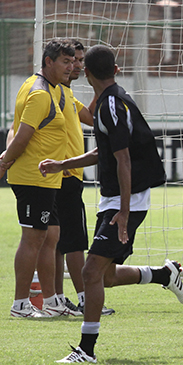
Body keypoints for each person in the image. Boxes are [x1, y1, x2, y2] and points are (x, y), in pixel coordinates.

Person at [39, 45, 183, 363]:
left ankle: (86, 351)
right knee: (104, 276)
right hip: (119, 198)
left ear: (87, 74)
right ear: (117, 70)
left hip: (127, 200)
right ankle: (164, 274)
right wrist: (61, 164)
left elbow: (123, 161)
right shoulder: (112, 100)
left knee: (90, 272)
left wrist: (122, 211)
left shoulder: (110, 106)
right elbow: (103, 152)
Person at [1, 39, 83, 318]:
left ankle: (51, 301)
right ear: (48, 61)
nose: (71, 67)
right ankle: (21, 304)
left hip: (48, 179)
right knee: (33, 239)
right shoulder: (39, 93)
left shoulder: (53, 89)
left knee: (51, 237)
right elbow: (20, 136)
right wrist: (4, 162)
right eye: (65, 62)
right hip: (32, 178)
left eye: (73, 62)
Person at [55, 39, 115, 316]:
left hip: (67, 174)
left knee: (57, 240)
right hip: (64, 174)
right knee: (74, 241)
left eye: (80, 60)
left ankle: (56, 297)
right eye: (72, 60)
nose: (77, 65)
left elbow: (89, 116)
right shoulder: (49, 91)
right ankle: (82, 298)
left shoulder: (66, 92)